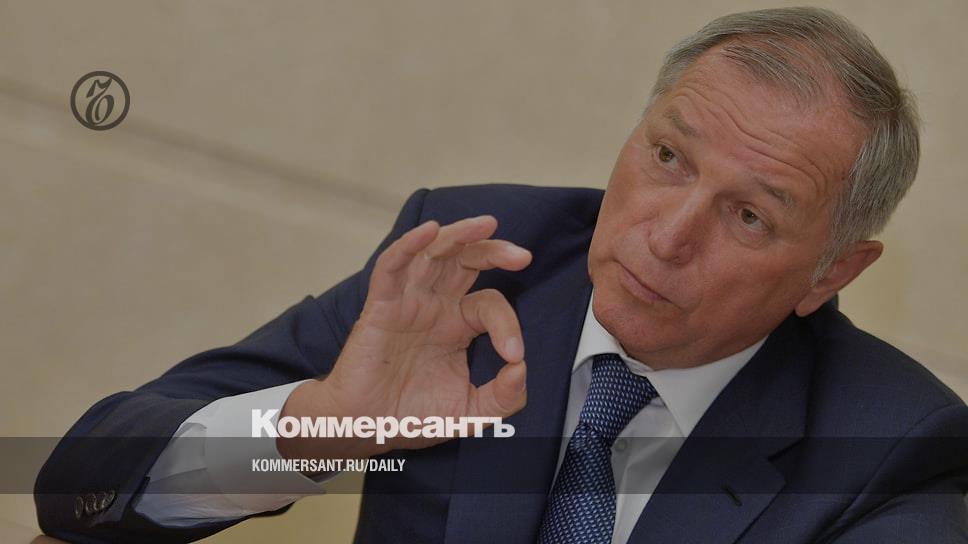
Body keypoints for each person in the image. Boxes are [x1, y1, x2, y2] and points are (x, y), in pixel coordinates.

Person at [35, 6, 968, 543]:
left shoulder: (896, 449)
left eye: (750, 215)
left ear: (830, 273)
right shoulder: (482, 262)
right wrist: (323, 424)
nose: (667, 236)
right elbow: (80, 484)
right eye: (669, 158)